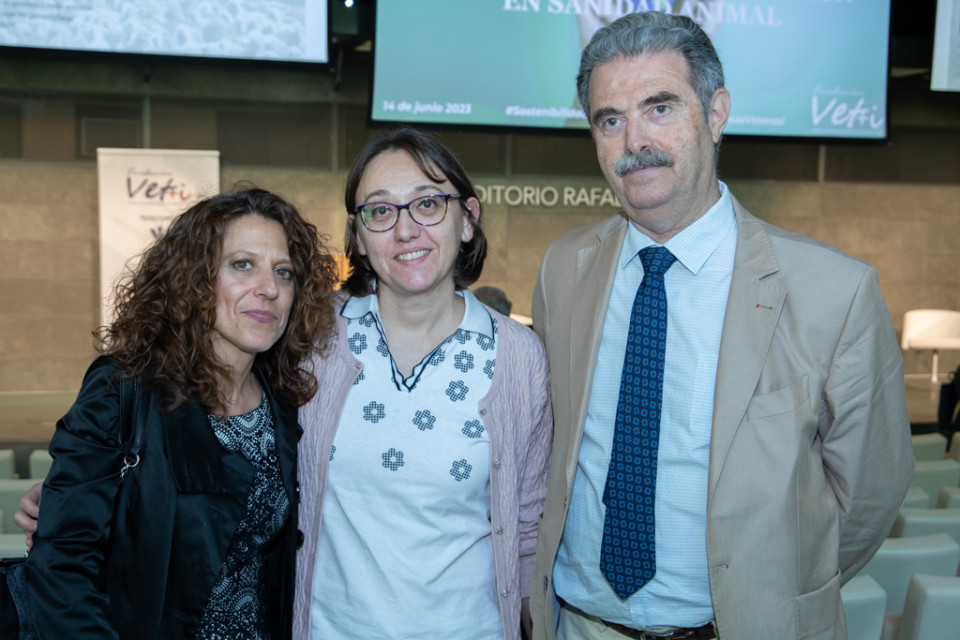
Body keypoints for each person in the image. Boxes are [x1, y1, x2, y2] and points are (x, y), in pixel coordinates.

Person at [530, 12, 913, 640]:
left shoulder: (834, 293)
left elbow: (869, 496)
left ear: (716, 112)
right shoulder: (563, 270)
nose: (634, 143)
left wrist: (773, 590)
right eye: (610, 120)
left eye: (660, 108)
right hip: (581, 626)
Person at [18, 187, 338, 639]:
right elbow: (61, 568)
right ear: (195, 277)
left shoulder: (286, 402)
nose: (269, 288)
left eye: (284, 272)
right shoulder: (124, 388)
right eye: (242, 264)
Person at [292, 128, 553, 640]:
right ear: (359, 237)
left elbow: (527, 526)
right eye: (381, 211)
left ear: (467, 221)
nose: (406, 230)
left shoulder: (518, 357)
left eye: (428, 204)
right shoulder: (315, 339)